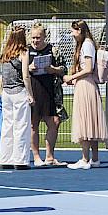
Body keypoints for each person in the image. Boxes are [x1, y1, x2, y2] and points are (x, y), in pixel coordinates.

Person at [64, 20, 108, 169]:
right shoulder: (87, 44)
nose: (72, 34)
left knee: (85, 121)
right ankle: (94, 159)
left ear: (79, 30)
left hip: (85, 85)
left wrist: (72, 76)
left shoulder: (86, 44)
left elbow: (88, 68)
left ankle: (85, 159)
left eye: (73, 31)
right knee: (91, 121)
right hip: (85, 84)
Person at [25, 23, 66, 165]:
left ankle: (50, 156)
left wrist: (53, 69)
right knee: (33, 124)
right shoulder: (27, 51)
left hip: (50, 91)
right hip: (34, 90)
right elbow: (20, 70)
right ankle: (36, 157)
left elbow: (64, 69)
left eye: (38, 37)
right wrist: (29, 68)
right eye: (33, 38)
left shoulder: (52, 50)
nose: (35, 41)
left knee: (54, 122)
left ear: (44, 37)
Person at [0, 25, 32, 169]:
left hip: (6, 93)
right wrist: (30, 94)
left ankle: (5, 158)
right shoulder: (23, 53)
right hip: (19, 92)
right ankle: (20, 160)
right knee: (21, 126)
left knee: (7, 126)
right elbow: (26, 76)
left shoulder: (5, 54)